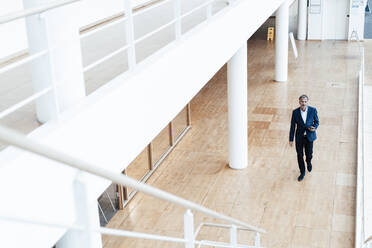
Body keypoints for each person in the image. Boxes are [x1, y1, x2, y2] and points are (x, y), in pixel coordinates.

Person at [289, 95, 319, 182]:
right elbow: (292, 126)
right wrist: (291, 139)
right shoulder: (295, 112)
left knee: (309, 154)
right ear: (299, 102)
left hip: (309, 137)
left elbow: (316, 122)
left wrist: (314, 127)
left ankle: (309, 162)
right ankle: (302, 172)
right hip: (299, 137)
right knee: (299, 155)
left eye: (305, 101)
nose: (303, 103)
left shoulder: (313, 110)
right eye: (302, 101)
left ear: (307, 102)